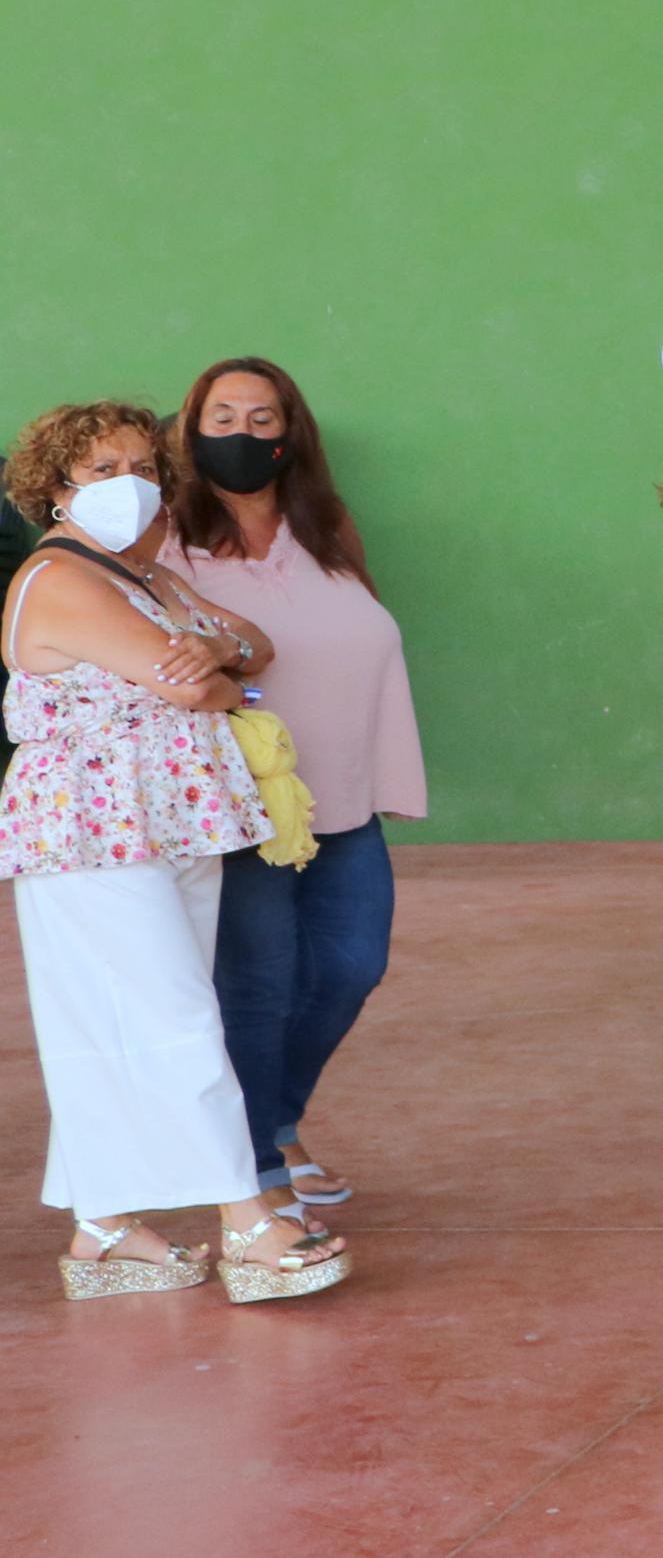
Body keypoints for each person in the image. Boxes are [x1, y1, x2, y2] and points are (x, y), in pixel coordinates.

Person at [5, 400, 348, 1303]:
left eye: (140, 467)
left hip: (167, 821)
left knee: (118, 1022)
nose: (129, 485)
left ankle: (107, 1225)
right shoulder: (61, 579)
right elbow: (197, 687)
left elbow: (249, 642)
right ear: (54, 493)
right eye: (100, 470)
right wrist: (217, 666)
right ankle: (247, 1219)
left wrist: (214, 649)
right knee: (176, 1018)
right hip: (93, 830)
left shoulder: (144, 576)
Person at [157, 358, 426, 1218]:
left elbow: (366, 635)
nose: (242, 432)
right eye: (222, 415)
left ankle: (270, 1118)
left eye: (261, 417)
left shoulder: (327, 524)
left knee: (352, 966)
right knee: (259, 984)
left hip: (341, 796)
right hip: (243, 805)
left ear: (290, 431)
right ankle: (259, 1167)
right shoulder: (166, 536)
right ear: (192, 429)